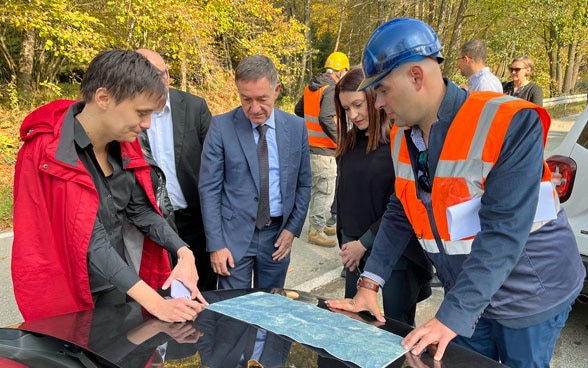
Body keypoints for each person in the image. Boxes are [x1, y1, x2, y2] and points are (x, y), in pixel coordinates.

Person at [326, 18, 584, 368]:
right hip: (467, 294)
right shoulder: (403, 135)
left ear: (417, 76)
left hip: (529, 297)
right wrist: (370, 283)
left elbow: (504, 232)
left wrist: (451, 316)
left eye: (383, 90)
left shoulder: (507, 123)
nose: (378, 103)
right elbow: (402, 208)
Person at [12, 49, 207, 322]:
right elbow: (91, 241)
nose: (147, 124)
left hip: (123, 284)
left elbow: (141, 211)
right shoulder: (50, 151)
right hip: (74, 292)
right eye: (141, 112)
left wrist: (184, 252)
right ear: (103, 98)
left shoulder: (125, 144)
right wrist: (156, 304)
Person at [198, 54, 311, 290]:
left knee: (270, 311)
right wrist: (216, 244)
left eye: (262, 99)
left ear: (277, 90)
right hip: (233, 238)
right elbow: (209, 189)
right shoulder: (221, 127)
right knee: (235, 312)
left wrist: (292, 229)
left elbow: (303, 183)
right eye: (246, 99)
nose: (254, 108)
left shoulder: (296, 127)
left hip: (277, 237)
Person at [333, 67, 432, 325]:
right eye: (346, 109)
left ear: (374, 98)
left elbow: (403, 204)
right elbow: (344, 200)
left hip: (395, 258)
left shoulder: (399, 142)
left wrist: (364, 243)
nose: (352, 115)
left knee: (391, 330)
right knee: (355, 325)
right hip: (354, 255)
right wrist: (348, 244)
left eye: (357, 105)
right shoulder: (349, 144)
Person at [135, 49, 217, 292]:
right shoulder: (130, 114)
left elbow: (216, 166)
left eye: (162, 74)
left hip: (193, 219)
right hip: (149, 222)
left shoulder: (194, 107)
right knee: (161, 293)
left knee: (203, 291)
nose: (160, 81)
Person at [295, 51, 349, 248]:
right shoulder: (332, 89)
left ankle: (318, 224)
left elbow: (298, 110)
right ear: (341, 71)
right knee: (324, 191)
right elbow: (326, 117)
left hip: (309, 147)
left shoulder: (312, 87)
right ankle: (316, 230)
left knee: (314, 188)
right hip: (324, 150)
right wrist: (341, 140)